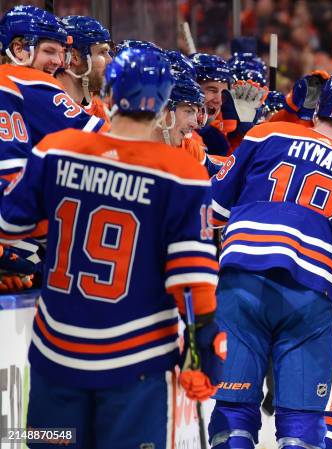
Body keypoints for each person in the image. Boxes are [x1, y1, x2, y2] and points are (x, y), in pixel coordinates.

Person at [0, 47, 225, 448]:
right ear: (163, 100)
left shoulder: (56, 149)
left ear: (114, 89)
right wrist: (203, 348)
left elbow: (8, 222)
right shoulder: (181, 174)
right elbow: (191, 278)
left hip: (54, 356)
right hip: (135, 364)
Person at [208, 71, 332, 449]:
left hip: (239, 283)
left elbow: (213, 208)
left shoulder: (264, 134)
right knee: (302, 424)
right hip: (308, 298)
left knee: (232, 412)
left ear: (316, 113)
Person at [0, 5, 106, 177]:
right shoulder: (27, 80)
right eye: (49, 51)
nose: (59, 62)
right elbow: (104, 138)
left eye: (62, 53)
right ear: (18, 49)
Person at [57, 15, 113, 122]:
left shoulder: (97, 110)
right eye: (102, 52)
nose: (111, 61)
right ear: (74, 57)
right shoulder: (46, 108)